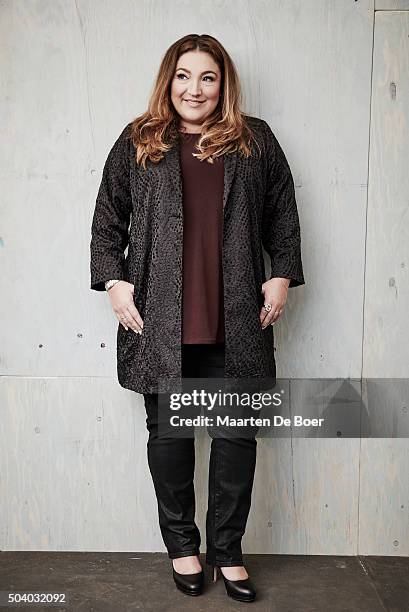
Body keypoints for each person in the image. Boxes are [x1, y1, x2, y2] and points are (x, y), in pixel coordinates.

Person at [90, 33, 305, 603]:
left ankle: (228, 553)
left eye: (207, 77)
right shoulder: (140, 140)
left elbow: (282, 210)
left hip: (236, 318)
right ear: (169, 80)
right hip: (161, 319)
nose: (195, 88)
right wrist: (114, 282)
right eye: (184, 76)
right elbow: (108, 216)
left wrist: (281, 273)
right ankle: (183, 546)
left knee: (236, 435)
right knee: (170, 436)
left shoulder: (255, 142)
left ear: (223, 84)